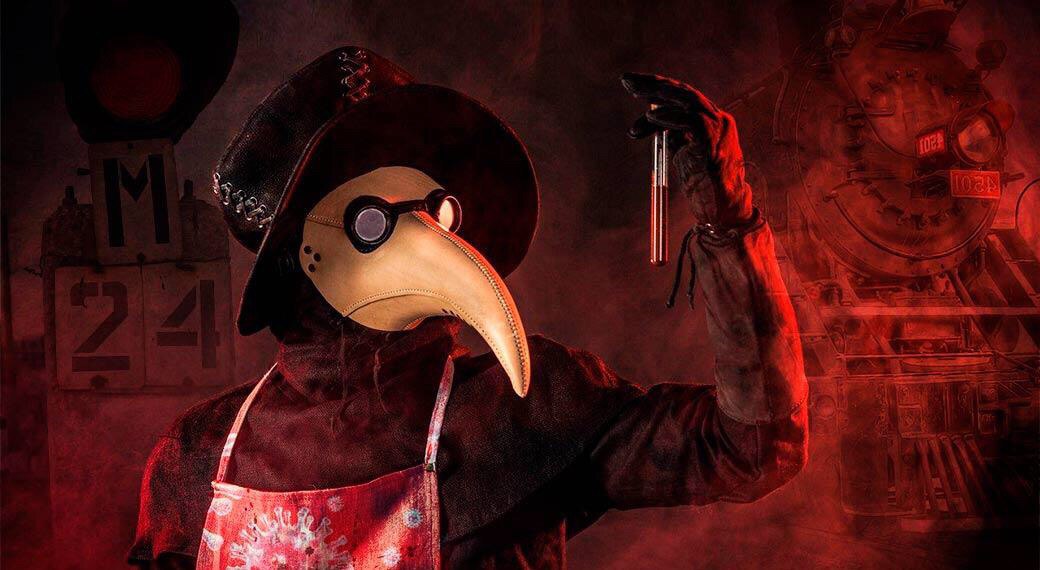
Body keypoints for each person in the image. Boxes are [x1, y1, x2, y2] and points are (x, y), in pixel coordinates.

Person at [130, 47, 808, 569]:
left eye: (438, 212)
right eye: (374, 219)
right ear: (300, 253)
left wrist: (728, 221)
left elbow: (752, 448)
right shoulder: (199, 455)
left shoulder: (518, 409)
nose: (428, 236)